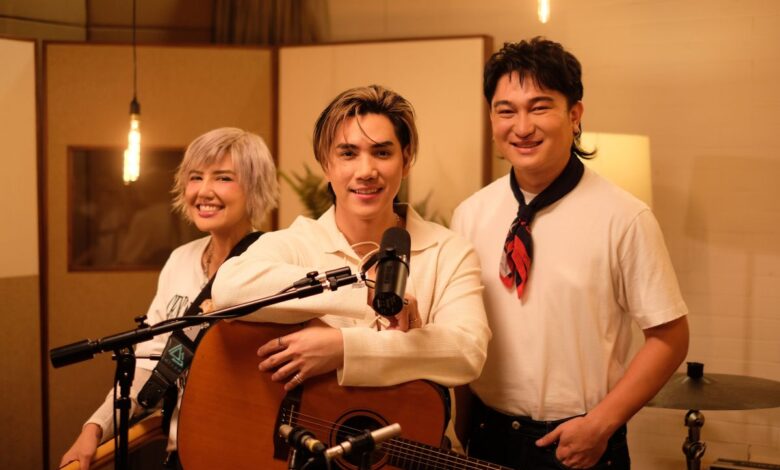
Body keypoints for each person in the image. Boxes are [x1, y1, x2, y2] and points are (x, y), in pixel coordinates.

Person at [451, 38, 689, 470]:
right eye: (506, 111)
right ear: (492, 119)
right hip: (487, 435)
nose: (522, 127)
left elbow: (670, 338)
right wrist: (461, 426)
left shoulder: (624, 217)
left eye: (539, 107)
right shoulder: (469, 214)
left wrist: (601, 424)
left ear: (575, 114)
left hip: (581, 440)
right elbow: (462, 331)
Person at [212, 85, 490, 395]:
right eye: (348, 154)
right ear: (325, 164)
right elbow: (228, 289)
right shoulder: (297, 242)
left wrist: (344, 348)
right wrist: (364, 293)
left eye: (382, 153)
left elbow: (467, 349)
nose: (366, 171)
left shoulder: (449, 251)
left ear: (406, 160)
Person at [59, 127, 279, 470]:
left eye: (223, 178)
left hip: (247, 454)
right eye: (195, 177)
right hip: (183, 453)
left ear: (255, 187)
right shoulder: (180, 260)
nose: (203, 191)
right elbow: (151, 361)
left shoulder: (273, 261)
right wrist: (95, 427)